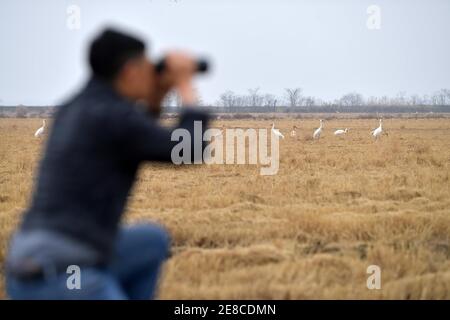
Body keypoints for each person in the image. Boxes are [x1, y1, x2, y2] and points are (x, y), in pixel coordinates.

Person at [5, 28, 209, 300]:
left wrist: (156, 98)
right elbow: (187, 149)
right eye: (145, 67)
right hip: (62, 276)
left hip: (28, 263)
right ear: (129, 72)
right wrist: (185, 86)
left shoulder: (76, 108)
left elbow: (138, 133)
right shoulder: (113, 117)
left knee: (151, 240)